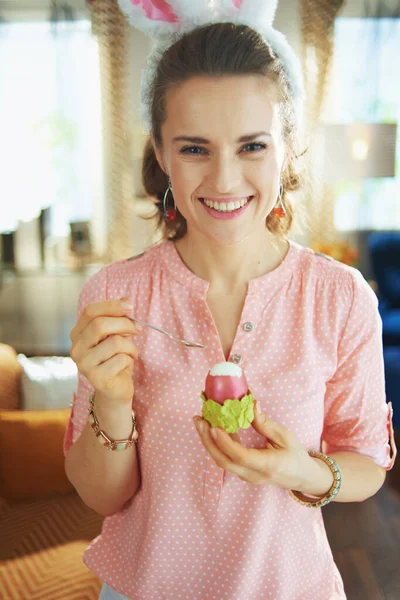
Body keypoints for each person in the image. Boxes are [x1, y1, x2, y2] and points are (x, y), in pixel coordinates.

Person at [64, 2, 397, 599]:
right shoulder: (115, 295)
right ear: (161, 154)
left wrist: (305, 472)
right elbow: (102, 497)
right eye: (194, 149)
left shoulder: (339, 297)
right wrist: (112, 402)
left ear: (286, 147)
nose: (223, 180)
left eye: (251, 146)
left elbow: (368, 462)